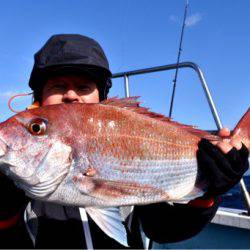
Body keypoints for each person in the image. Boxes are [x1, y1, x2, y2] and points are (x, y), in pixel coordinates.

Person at [0, 34, 248, 249]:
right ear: (39, 99)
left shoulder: (123, 137)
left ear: (102, 98)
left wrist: (209, 194)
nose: (71, 95)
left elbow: (163, 230)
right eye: (58, 86)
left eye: (84, 87)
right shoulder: (14, 176)